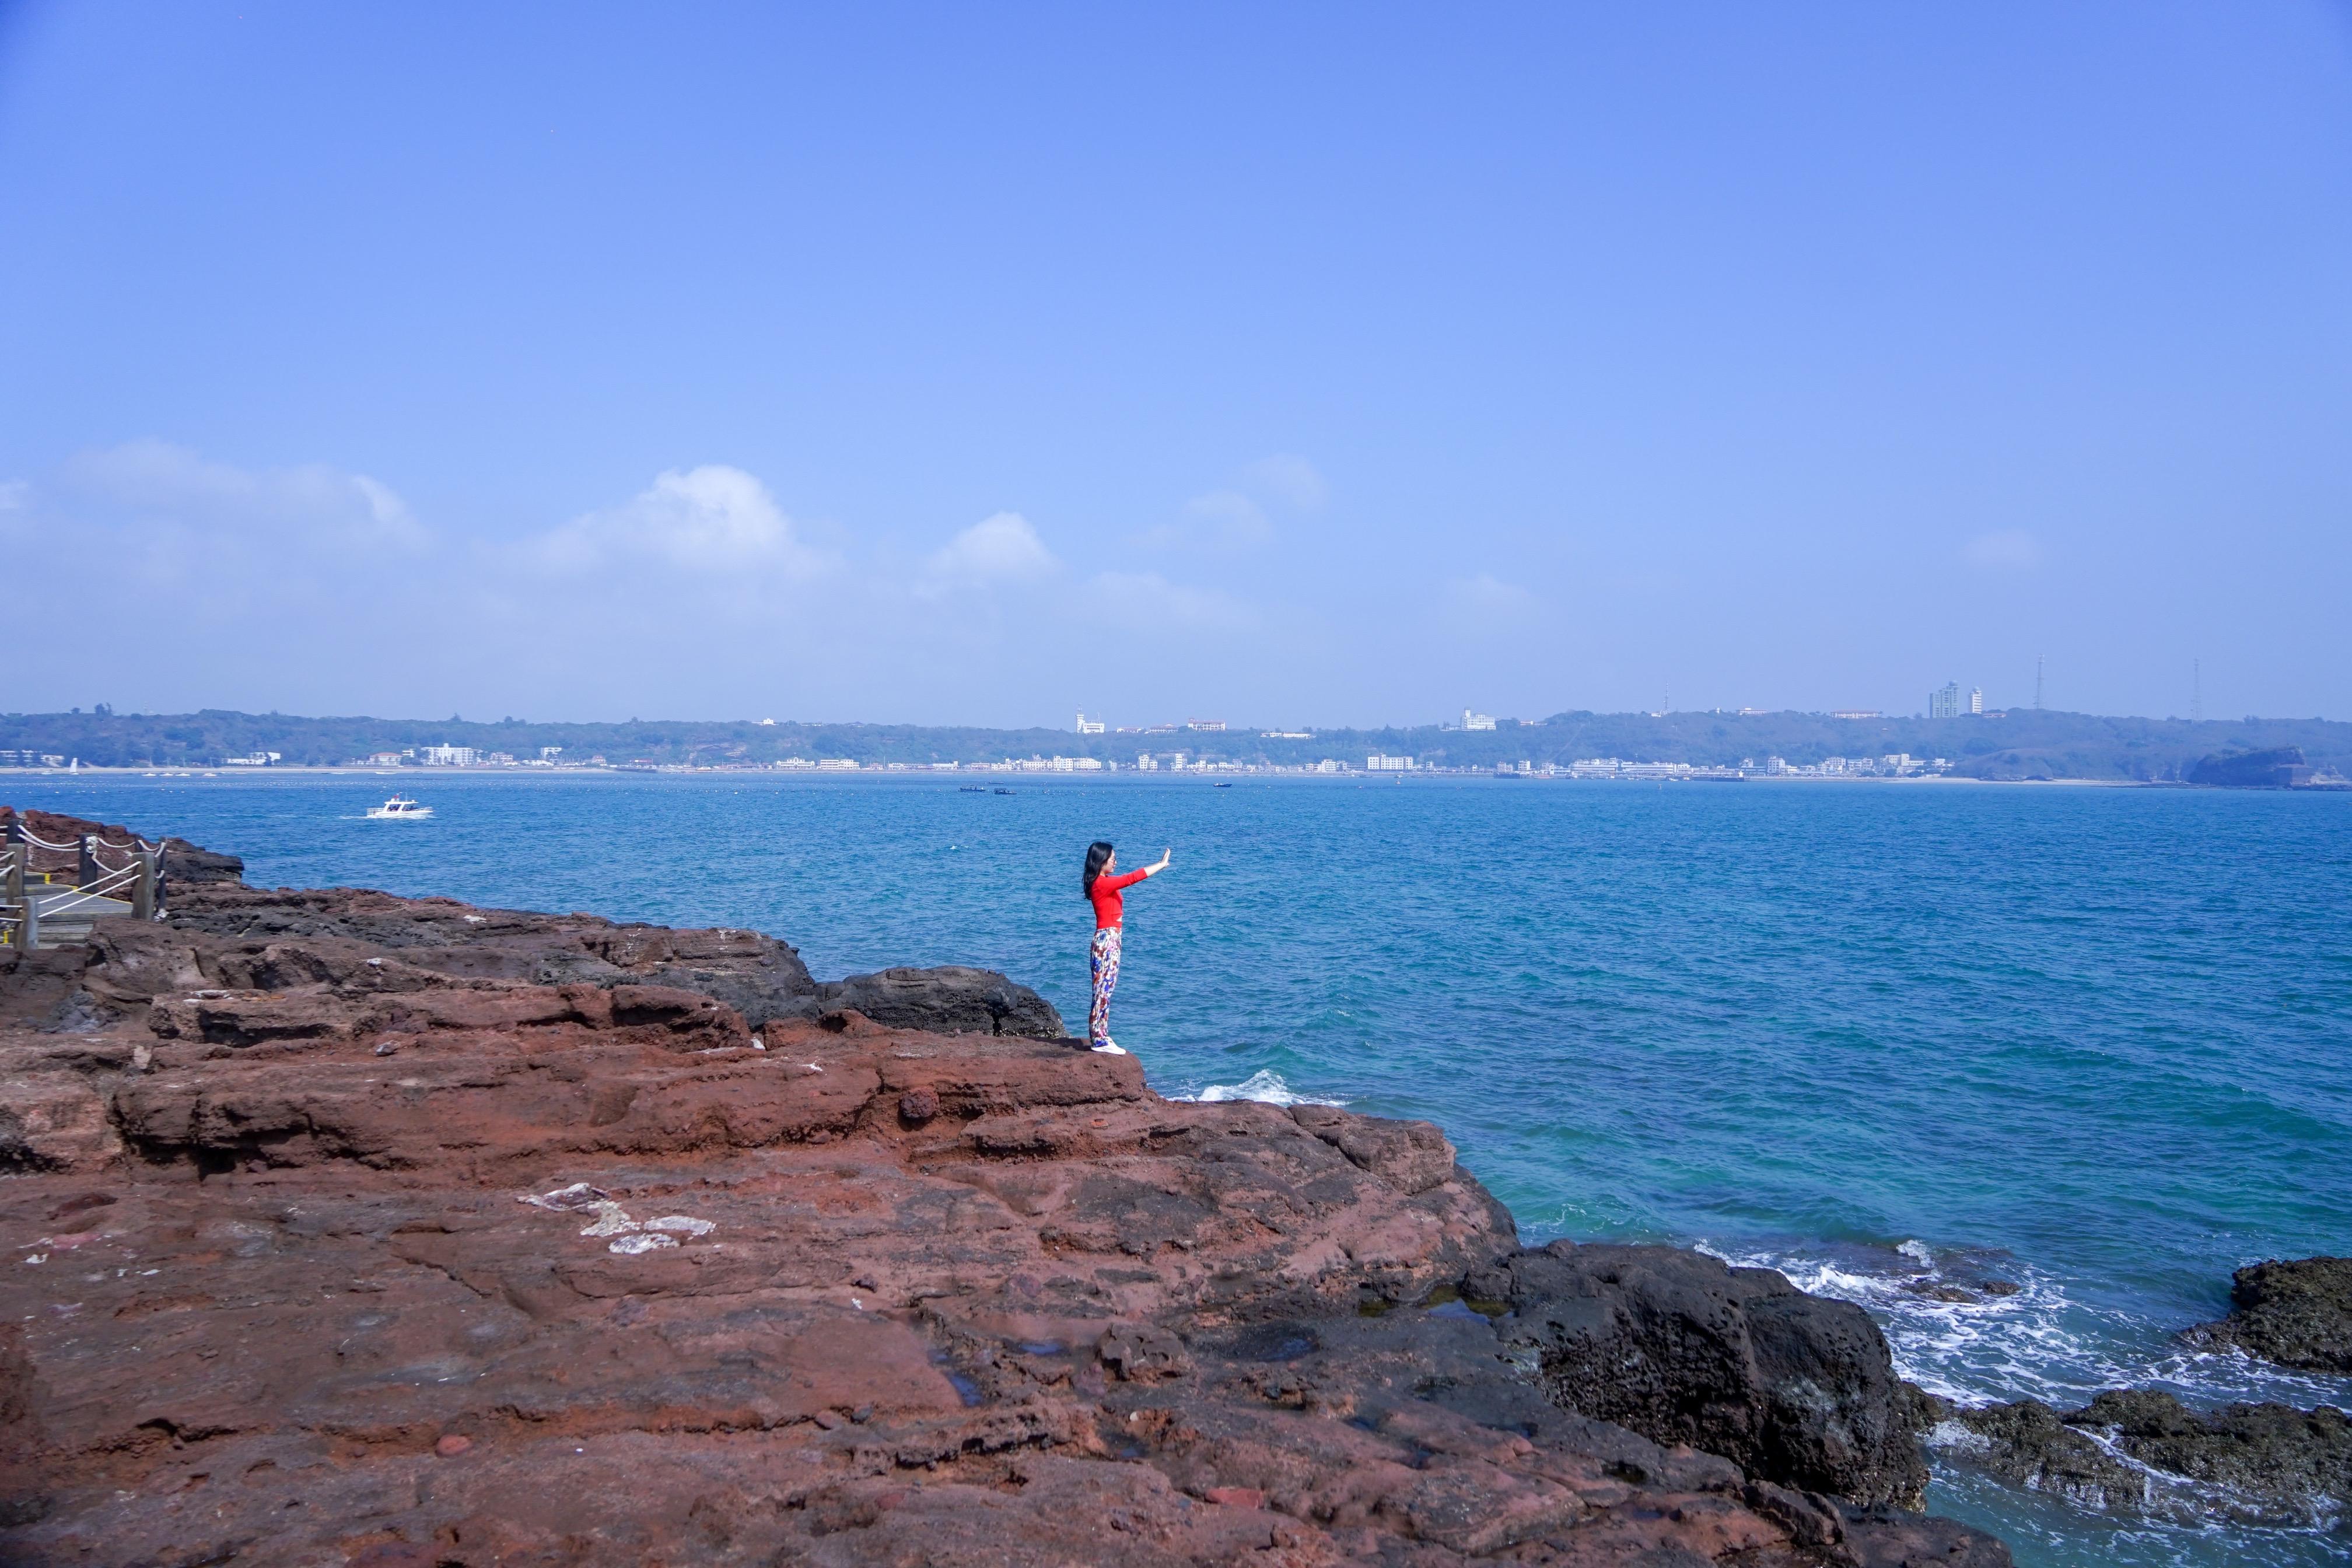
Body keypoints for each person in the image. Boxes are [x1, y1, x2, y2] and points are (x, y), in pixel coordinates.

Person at [1081, 839, 1170, 1054]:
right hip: (1106, 941)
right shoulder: (1101, 883)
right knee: (1103, 990)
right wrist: (1160, 865)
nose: (1116, 862)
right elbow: (1132, 878)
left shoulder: (1103, 881)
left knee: (1106, 989)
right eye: (1113, 859)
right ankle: (1099, 1039)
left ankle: (1101, 1033)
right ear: (1101, 861)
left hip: (1111, 939)